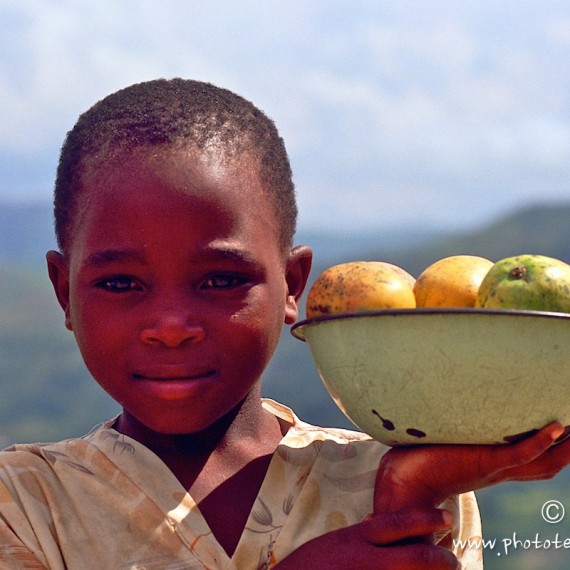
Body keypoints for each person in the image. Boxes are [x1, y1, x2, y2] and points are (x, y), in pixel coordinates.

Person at [0, 78, 568, 570]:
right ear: (64, 291)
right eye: (121, 283)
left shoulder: (405, 481)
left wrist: (408, 496)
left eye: (221, 279)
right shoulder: (25, 503)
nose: (171, 327)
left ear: (293, 286)